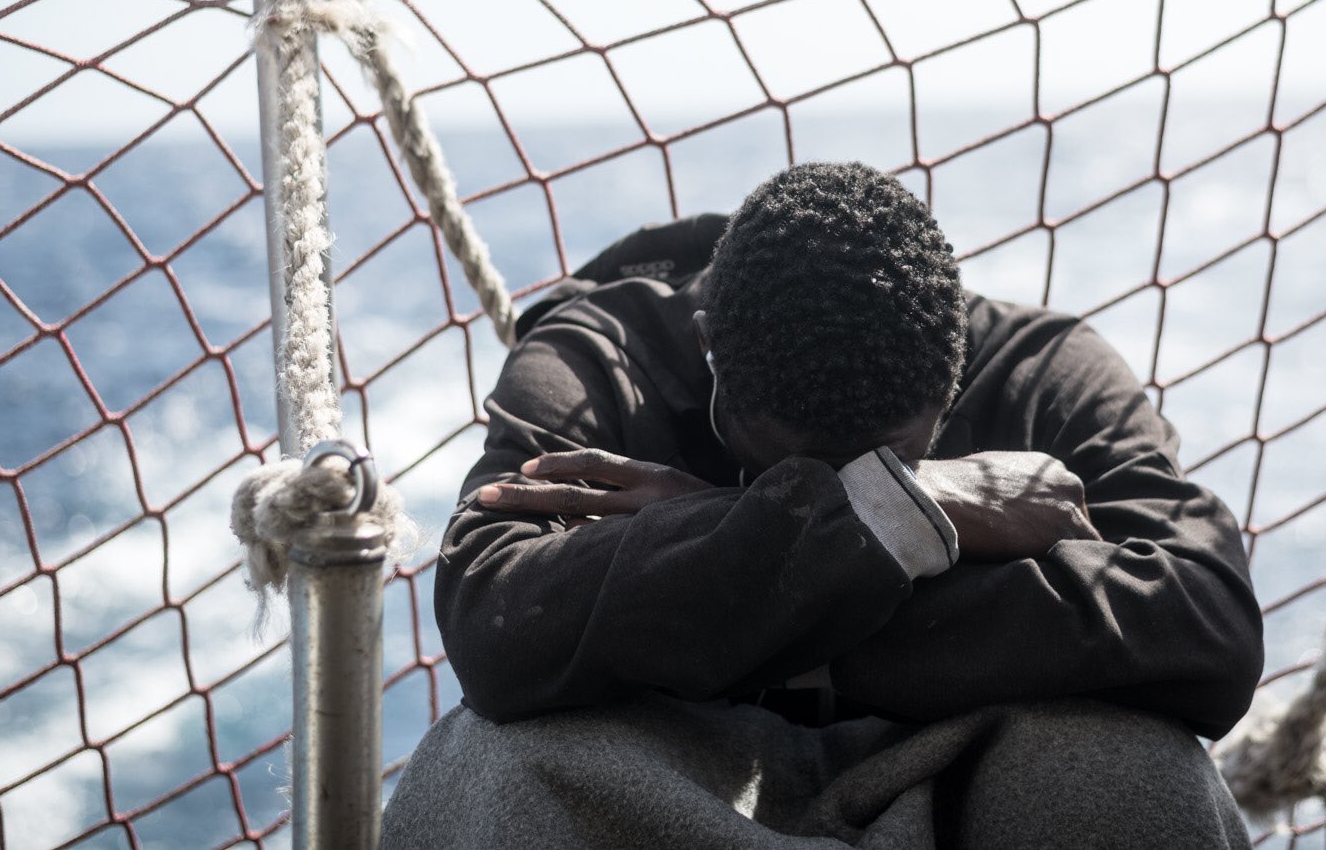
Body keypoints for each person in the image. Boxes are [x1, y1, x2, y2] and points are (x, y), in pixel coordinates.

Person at [384, 162, 1263, 848]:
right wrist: (905, 505)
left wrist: (740, 542)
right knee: (496, 770)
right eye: (787, 469)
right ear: (708, 355)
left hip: (953, 773)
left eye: (896, 461)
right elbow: (495, 611)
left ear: (953, 379)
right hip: (672, 784)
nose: (840, 485)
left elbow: (1205, 619)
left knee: (1139, 775)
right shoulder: (600, 355)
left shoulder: (1043, 369)